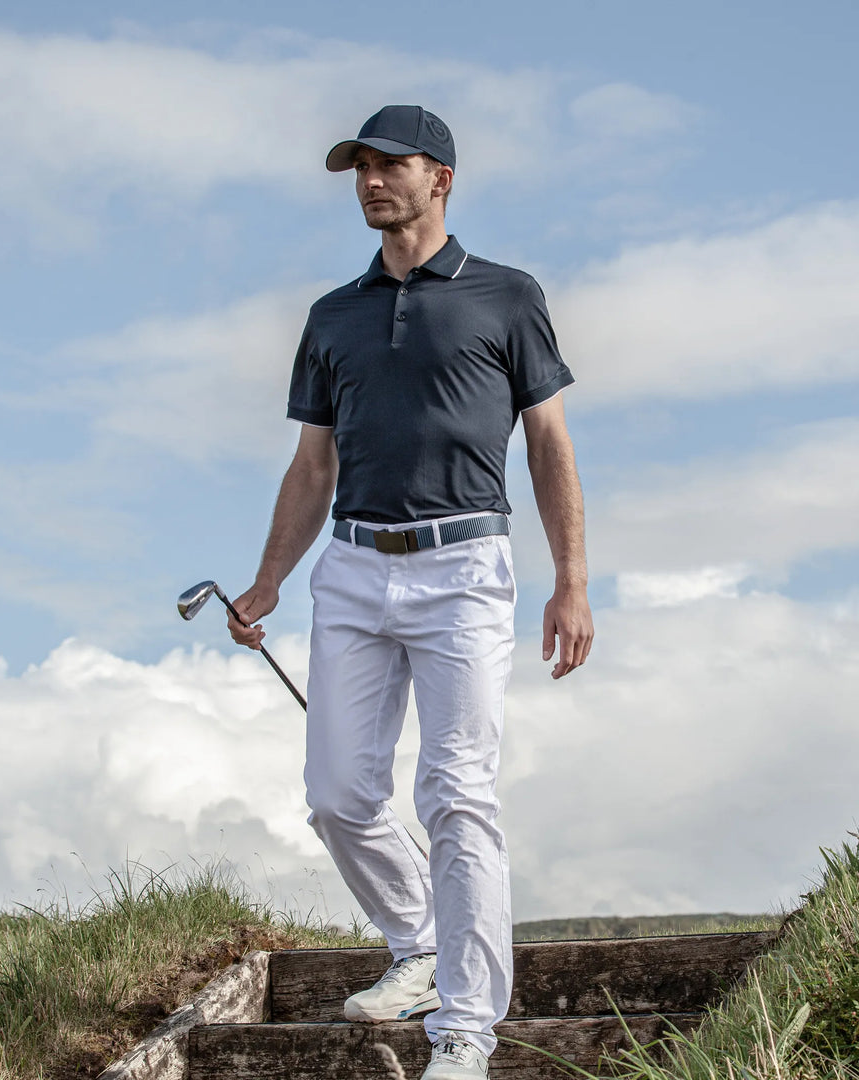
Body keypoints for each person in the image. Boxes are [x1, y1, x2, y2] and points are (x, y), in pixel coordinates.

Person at [228, 105, 593, 1080]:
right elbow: (312, 466)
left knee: (456, 793)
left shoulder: (507, 296)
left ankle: (466, 1032)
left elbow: (550, 444)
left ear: (443, 178)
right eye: (360, 168)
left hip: (464, 566)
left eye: (391, 165)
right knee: (337, 793)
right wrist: (268, 579)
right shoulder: (332, 316)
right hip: (351, 566)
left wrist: (571, 581)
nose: (371, 181)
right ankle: (421, 944)